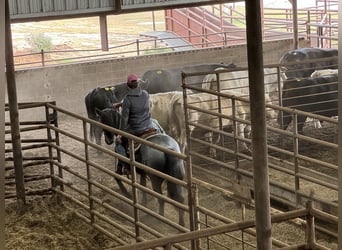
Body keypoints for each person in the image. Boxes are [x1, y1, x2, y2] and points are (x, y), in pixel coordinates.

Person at [113, 73, 156, 175]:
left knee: (118, 143)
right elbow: (137, 101)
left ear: (128, 85)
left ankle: (127, 166)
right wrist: (121, 104)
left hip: (136, 129)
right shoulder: (145, 94)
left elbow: (124, 119)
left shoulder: (128, 99)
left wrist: (120, 134)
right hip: (149, 125)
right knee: (157, 125)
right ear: (138, 83)